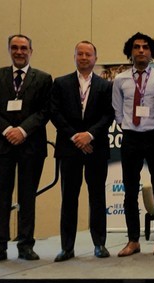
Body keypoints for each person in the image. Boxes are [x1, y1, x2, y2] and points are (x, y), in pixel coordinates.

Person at [0, 34, 53, 264]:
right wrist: (6, 130)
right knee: (1, 197)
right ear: (9, 50)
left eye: (23, 48)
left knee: (27, 197)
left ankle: (25, 245)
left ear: (31, 51)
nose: (19, 52)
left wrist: (22, 130)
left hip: (31, 146)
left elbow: (45, 111)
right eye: (14, 48)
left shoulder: (43, 78)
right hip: (1, 146)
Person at [49, 41, 114, 262]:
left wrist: (90, 135)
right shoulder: (60, 83)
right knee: (69, 198)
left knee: (97, 196)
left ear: (95, 58)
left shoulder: (105, 85)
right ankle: (67, 247)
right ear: (74, 56)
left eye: (88, 54)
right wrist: (76, 137)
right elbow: (55, 113)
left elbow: (109, 115)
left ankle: (99, 244)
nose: (84, 57)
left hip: (96, 147)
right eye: (80, 54)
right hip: (69, 148)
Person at [112, 32, 154, 257]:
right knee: (129, 191)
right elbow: (117, 110)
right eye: (136, 47)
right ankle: (133, 240)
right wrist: (127, 125)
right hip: (131, 138)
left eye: (145, 47)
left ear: (151, 52)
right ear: (130, 52)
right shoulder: (120, 79)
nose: (141, 51)